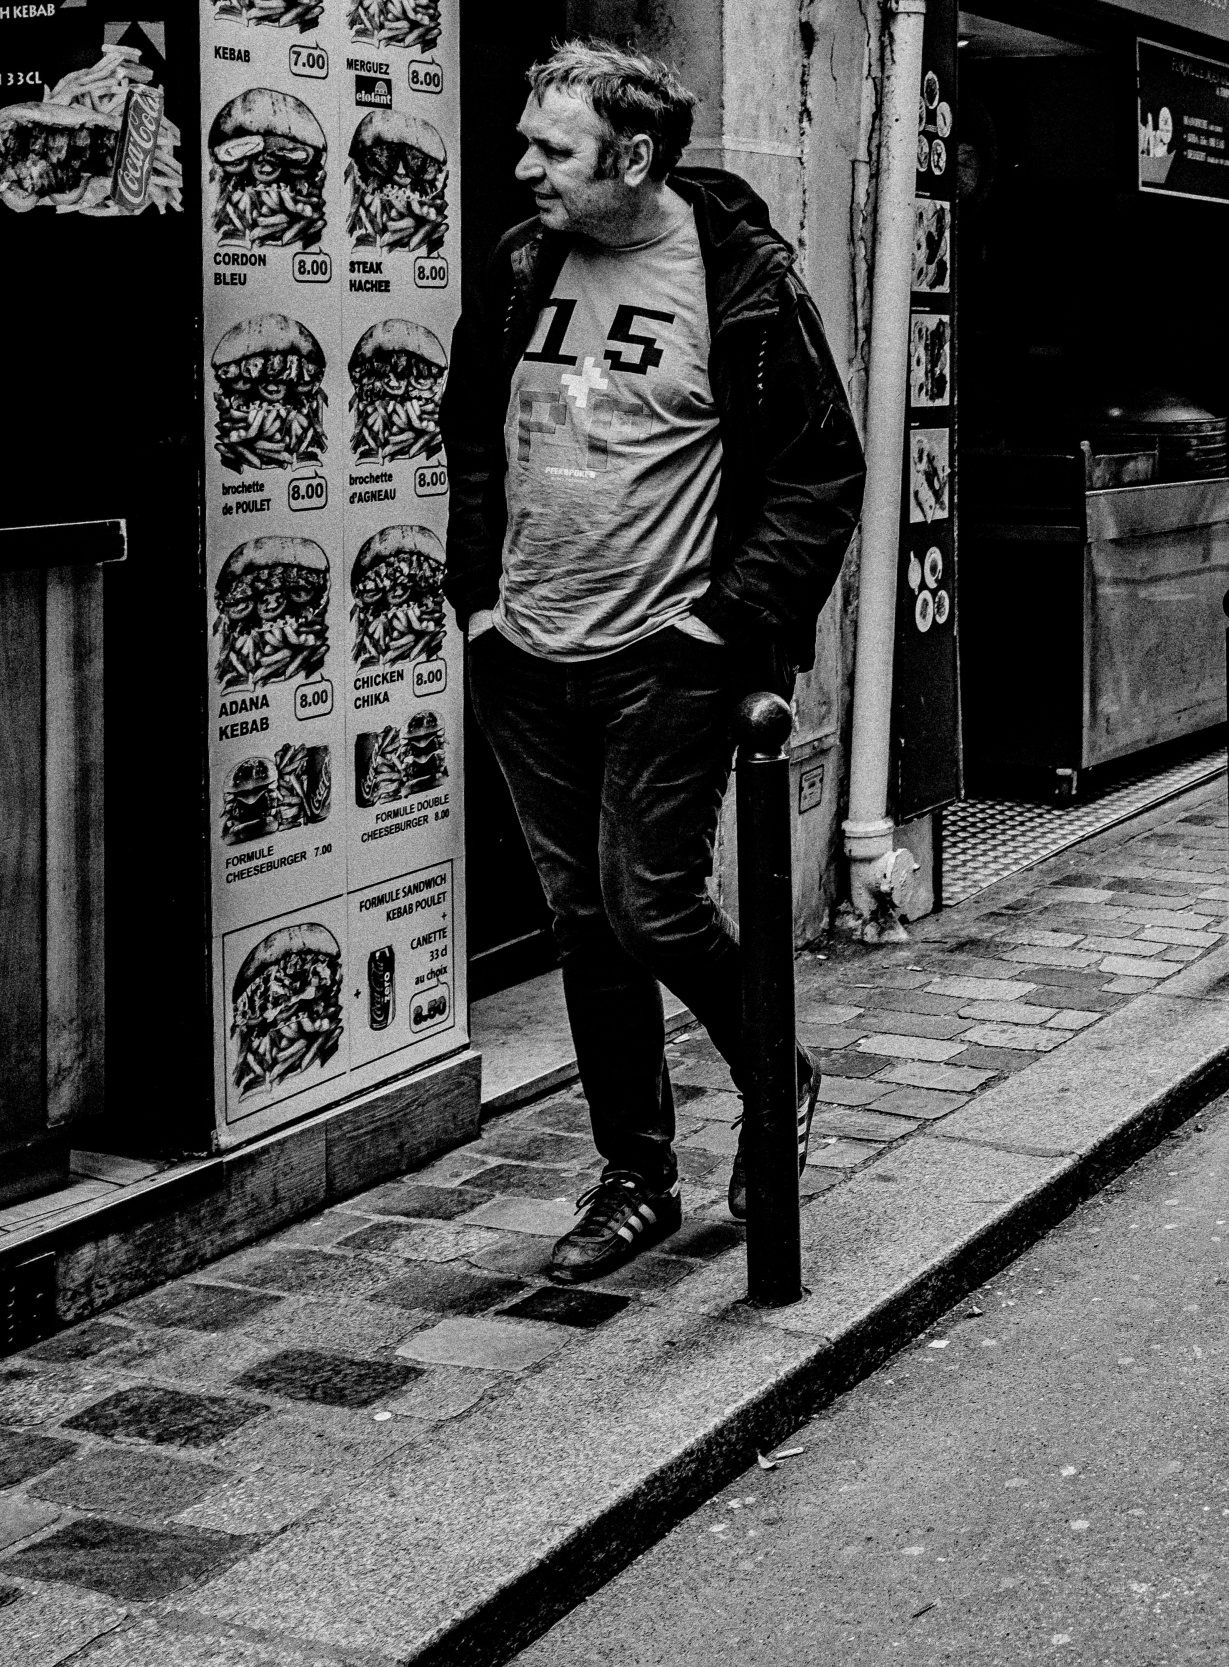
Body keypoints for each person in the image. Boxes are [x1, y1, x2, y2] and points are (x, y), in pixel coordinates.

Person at [446, 41, 867, 1281]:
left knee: (650, 901)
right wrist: (477, 604)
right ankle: (635, 1175)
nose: (525, 168)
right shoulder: (520, 264)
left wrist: (720, 626)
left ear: (633, 157)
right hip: (527, 651)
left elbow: (817, 473)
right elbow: (472, 434)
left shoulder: (742, 280)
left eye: (553, 150)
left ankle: (775, 1074)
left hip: (664, 654)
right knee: (585, 923)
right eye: (526, 144)